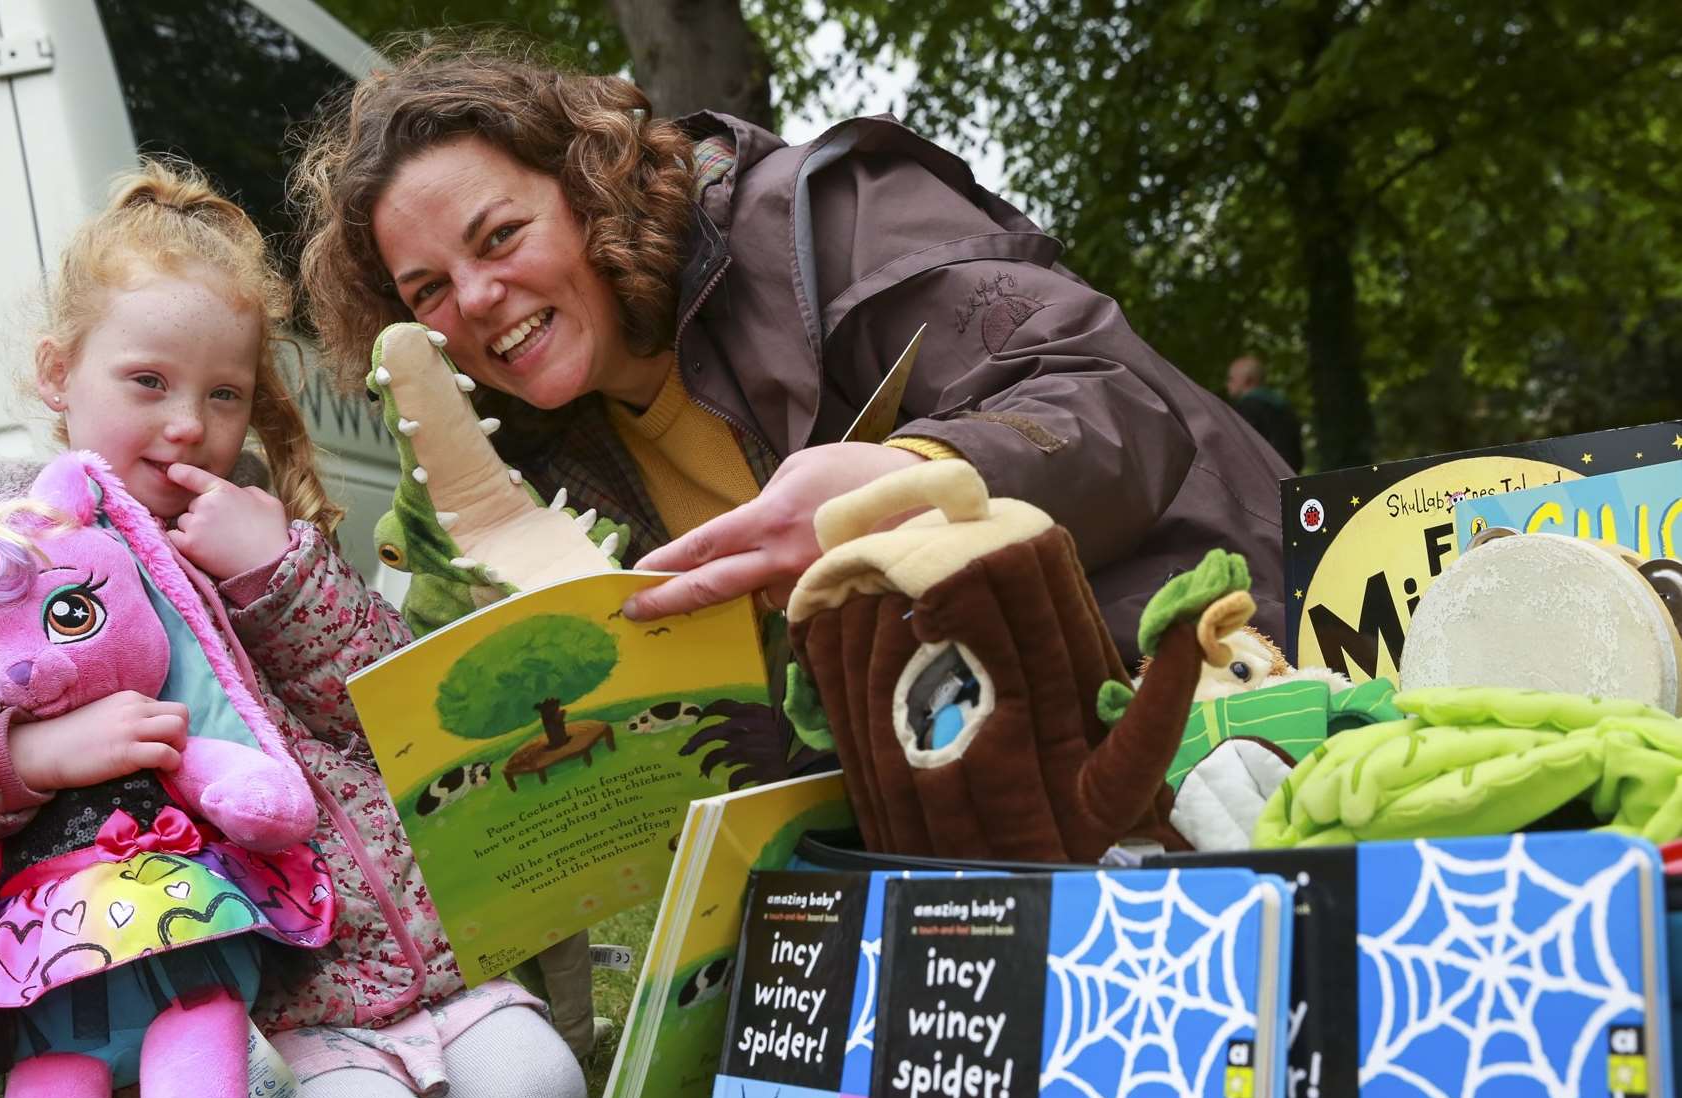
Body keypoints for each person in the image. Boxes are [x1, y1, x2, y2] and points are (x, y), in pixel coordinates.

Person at [0, 162, 587, 1098]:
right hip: (246, 1005)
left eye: (223, 394)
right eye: (148, 382)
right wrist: (26, 750)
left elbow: (393, 709)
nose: (188, 426)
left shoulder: (255, 522)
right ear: (60, 375)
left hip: (406, 955)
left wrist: (281, 576)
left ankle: (420, 1050)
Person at [291, 40, 1291, 668]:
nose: (473, 301)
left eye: (498, 237)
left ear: (589, 190)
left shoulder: (817, 217)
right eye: (426, 290)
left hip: (1237, 654)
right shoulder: (542, 458)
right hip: (987, 779)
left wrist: (908, 478)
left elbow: (1110, 396)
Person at [1226, 354, 1304, 471]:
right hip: (1290, 475)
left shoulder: (1248, 407)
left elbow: (1241, 450)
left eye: (1231, 378)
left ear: (1247, 380)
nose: (1228, 384)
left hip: (1266, 476)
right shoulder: (1282, 405)